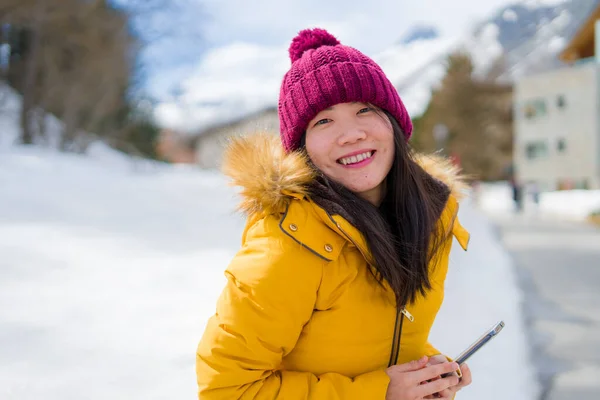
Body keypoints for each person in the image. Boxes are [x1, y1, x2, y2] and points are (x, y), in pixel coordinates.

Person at [196, 28, 473, 400]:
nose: (351, 134)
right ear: (301, 149)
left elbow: (377, 342)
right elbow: (227, 390)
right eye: (323, 121)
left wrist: (426, 373)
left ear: (394, 124)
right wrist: (378, 393)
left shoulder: (426, 218)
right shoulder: (287, 245)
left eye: (364, 110)